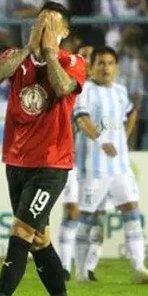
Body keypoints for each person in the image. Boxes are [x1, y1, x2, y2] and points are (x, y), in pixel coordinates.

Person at [0, 2, 86, 296]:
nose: (43, 27)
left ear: (64, 32)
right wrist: (29, 48)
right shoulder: (15, 57)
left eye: (51, 23)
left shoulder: (73, 62)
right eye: (39, 22)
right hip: (17, 162)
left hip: (51, 165)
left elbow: (62, 88)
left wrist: (48, 52)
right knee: (39, 241)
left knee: (21, 231)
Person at [71, 45, 148, 285]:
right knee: (89, 219)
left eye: (110, 63)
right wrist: (102, 140)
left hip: (119, 167)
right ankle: (81, 272)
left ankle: (139, 268)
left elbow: (131, 113)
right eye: (100, 63)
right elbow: (81, 119)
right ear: (92, 66)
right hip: (93, 168)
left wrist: (124, 137)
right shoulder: (84, 90)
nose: (106, 68)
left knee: (132, 212)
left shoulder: (120, 91)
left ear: (117, 67)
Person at [57, 46, 94, 280]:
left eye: (90, 57)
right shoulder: (70, 85)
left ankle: (87, 268)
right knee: (71, 209)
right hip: (70, 159)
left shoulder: (104, 91)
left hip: (95, 163)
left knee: (90, 215)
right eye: (83, 56)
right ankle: (63, 267)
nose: (86, 60)